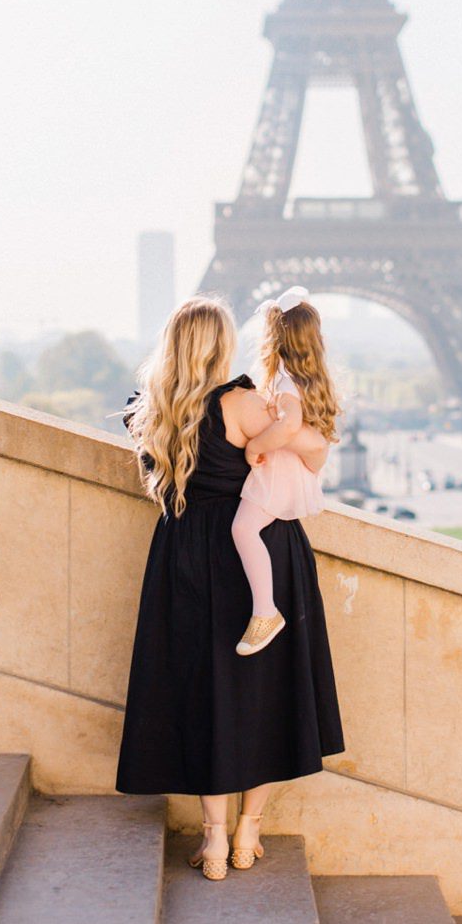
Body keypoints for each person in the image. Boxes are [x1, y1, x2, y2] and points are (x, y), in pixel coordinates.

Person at [115, 295, 344, 882]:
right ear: (222, 345)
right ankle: (249, 831)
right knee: (264, 694)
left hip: (184, 556)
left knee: (204, 693)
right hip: (259, 552)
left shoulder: (149, 411)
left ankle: (213, 840)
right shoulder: (244, 403)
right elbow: (314, 453)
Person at [232, 286, 341, 657]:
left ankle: (265, 611)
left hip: (277, 473)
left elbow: (289, 426)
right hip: (293, 472)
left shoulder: (283, 380)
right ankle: (265, 610)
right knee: (248, 529)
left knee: (243, 529)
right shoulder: (308, 379)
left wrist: (255, 446)